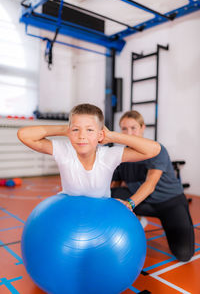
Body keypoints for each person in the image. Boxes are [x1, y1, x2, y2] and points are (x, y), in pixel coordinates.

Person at [17, 104, 160, 203]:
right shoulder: (64, 151)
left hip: (98, 213)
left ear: (100, 135)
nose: (81, 136)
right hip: (69, 211)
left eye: (89, 130)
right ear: (69, 132)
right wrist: (65, 129)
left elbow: (154, 149)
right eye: (76, 130)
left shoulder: (108, 155)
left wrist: (111, 136)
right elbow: (24, 135)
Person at [111, 110, 195, 262]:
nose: (129, 132)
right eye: (124, 129)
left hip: (170, 203)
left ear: (142, 128)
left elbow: (150, 184)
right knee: (111, 194)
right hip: (144, 203)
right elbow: (114, 186)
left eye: (133, 128)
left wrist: (129, 204)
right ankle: (137, 219)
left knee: (184, 254)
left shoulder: (156, 149)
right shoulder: (121, 155)